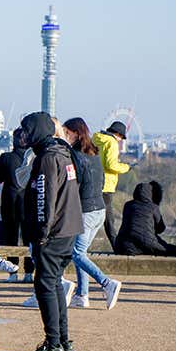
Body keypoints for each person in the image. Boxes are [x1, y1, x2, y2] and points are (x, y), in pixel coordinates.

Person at [20, 111, 83, 351]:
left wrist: (42, 232)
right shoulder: (63, 153)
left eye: (26, 130)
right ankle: (62, 340)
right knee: (54, 283)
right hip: (69, 227)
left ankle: (53, 343)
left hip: (53, 231)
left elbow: (45, 197)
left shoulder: (47, 158)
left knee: (45, 284)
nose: (23, 135)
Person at [61, 117, 122, 310]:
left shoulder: (74, 156)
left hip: (86, 211)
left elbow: (73, 185)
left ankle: (107, 283)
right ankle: (82, 295)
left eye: (66, 132)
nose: (64, 135)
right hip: (99, 209)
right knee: (81, 254)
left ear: (76, 133)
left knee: (76, 253)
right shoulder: (94, 154)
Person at [0, 128, 34, 281]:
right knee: (28, 238)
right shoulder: (32, 157)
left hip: (9, 200)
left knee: (11, 237)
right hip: (28, 200)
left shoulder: (6, 158)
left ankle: (13, 271)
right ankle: (29, 272)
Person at [114, 181, 176, 256]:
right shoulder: (153, 207)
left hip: (123, 245)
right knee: (172, 250)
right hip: (147, 243)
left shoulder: (127, 205)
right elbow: (161, 228)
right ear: (150, 194)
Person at [93, 120, 132, 245]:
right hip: (106, 184)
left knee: (91, 215)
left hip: (92, 182)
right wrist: (126, 167)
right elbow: (111, 165)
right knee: (109, 219)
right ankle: (116, 245)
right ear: (118, 134)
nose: (120, 141)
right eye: (121, 137)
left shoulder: (96, 139)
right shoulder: (112, 143)